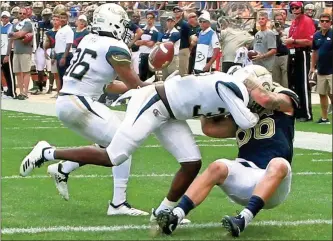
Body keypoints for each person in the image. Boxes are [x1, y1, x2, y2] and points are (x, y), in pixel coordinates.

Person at [20, 71, 260, 221]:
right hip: (154, 102)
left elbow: (209, 127)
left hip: (171, 113)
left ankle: (163, 211)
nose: (261, 91)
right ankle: (47, 152)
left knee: (191, 162)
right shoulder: (232, 86)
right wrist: (264, 110)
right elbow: (246, 120)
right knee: (114, 157)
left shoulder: (225, 88)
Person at [155, 65, 300, 238]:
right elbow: (209, 128)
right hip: (246, 175)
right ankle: (175, 216)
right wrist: (207, 98)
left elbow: (267, 100)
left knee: (279, 163)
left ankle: (242, 220)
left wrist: (245, 82)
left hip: (275, 185)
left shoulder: (286, 100)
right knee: (218, 166)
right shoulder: (243, 113)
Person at [36, 3, 150, 216]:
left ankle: (63, 168)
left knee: (111, 142)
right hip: (79, 102)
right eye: (123, 24)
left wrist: (147, 86)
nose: (126, 29)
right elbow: (135, 85)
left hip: (70, 101)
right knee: (124, 141)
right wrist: (159, 86)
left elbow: (108, 86)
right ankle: (117, 204)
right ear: (113, 23)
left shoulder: (89, 39)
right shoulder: (115, 47)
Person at [283, 1, 315, 122]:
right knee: (293, 83)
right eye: (292, 8)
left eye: (297, 7)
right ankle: (297, 111)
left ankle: (306, 113)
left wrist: (293, 41)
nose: (295, 10)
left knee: (303, 83)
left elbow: (309, 41)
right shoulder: (294, 22)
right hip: (292, 53)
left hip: (302, 52)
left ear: (301, 8)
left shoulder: (306, 21)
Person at [310, 13, 333, 124]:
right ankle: (324, 118)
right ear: (319, 22)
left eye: (327, 21)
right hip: (321, 69)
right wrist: (312, 67)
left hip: (332, 69)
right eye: (322, 21)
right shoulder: (316, 35)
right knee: (322, 94)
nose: (324, 23)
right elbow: (314, 52)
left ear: (330, 22)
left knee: (332, 94)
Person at [7, 7, 33, 100]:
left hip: (26, 50)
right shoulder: (16, 24)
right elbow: (11, 35)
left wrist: (16, 35)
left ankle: (25, 92)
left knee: (26, 71)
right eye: (20, 13)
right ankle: (21, 92)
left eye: (24, 13)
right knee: (17, 72)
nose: (22, 15)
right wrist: (17, 35)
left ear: (27, 15)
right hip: (16, 50)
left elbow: (19, 34)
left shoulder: (28, 23)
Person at [1, 11, 16, 99]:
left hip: (7, 53)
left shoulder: (10, 27)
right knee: (4, 73)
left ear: (9, 18)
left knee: (9, 73)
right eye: (3, 17)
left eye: (6, 17)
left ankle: (12, 93)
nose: (4, 19)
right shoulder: (1, 27)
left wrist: (7, 54)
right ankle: (7, 91)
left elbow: (10, 42)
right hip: (1, 53)